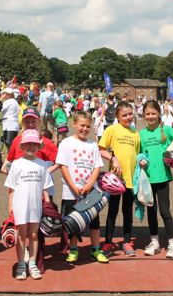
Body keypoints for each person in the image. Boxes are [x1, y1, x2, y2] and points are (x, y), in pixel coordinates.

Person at [138, 100, 173, 258]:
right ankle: (155, 242)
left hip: (162, 178)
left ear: (159, 114)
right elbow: (139, 153)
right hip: (147, 179)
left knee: (165, 211)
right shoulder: (142, 134)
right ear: (143, 115)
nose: (151, 116)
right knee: (151, 211)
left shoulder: (166, 129)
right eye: (148, 114)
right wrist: (141, 159)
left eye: (153, 113)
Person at [58, 111, 109, 264]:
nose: (85, 129)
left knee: (94, 222)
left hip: (90, 191)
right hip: (70, 192)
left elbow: (96, 168)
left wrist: (89, 185)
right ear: (74, 124)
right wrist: (73, 186)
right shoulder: (66, 143)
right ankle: (73, 250)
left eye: (88, 126)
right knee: (73, 223)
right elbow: (63, 166)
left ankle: (95, 249)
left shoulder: (93, 145)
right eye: (82, 125)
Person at [5, 129, 54, 280]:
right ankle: (21, 264)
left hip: (36, 206)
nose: (31, 147)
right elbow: (11, 188)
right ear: (22, 146)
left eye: (34, 144)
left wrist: (48, 205)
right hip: (20, 206)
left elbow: (46, 188)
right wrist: (10, 206)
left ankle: (32, 263)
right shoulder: (16, 164)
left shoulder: (42, 165)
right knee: (21, 235)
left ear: (39, 146)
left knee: (33, 235)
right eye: (28, 144)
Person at [99, 101, 140, 257]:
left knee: (127, 212)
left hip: (130, 180)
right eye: (124, 115)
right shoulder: (112, 129)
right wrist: (113, 159)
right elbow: (101, 148)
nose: (128, 117)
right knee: (112, 211)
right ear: (117, 116)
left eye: (130, 114)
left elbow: (137, 155)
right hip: (115, 181)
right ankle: (108, 242)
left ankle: (127, 242)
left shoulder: (135, 134)